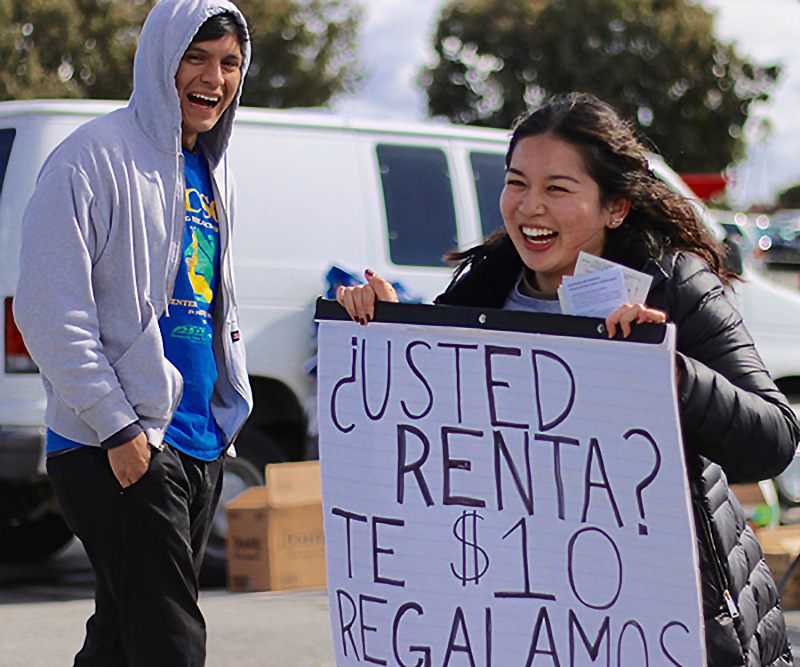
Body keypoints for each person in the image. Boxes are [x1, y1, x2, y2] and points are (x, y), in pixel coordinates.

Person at [337, 92, 800, 665]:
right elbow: (422, 448)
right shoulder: (478, 292)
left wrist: (672, 371)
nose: (530, 208)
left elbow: (774, 438)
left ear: (616, 208)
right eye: (516, 183)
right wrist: (390, 333)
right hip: (521, 623)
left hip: (666, 621)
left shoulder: (673, 285)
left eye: (557, 189)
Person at [13, 0, 253, 664]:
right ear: (159, 61)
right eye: (196, 58)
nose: (215, 77)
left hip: (200, 441)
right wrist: (118, 427)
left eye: (230, 62)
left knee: (122, 635)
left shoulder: (213, 168)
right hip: (115, 440)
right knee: (170, 637)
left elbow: (213, 311)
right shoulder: (89, 158)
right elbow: (46, 307)